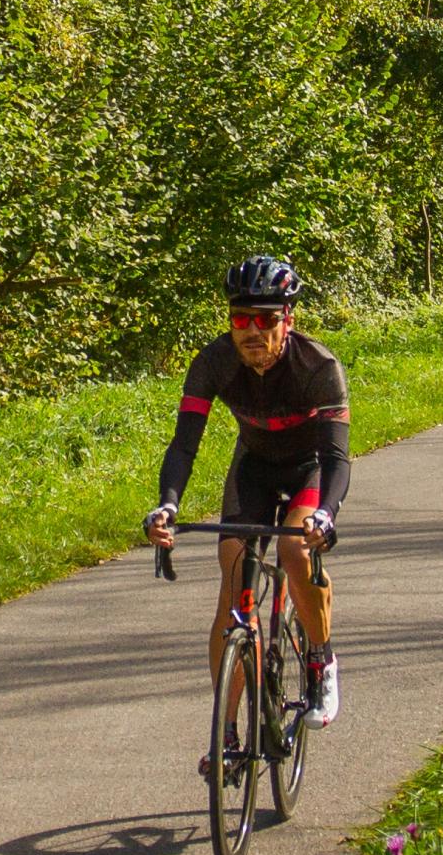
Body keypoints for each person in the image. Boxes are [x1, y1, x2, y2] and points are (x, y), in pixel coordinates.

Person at [142, 254, 348, 732]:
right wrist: (168, 503)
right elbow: (184, 443)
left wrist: (326, 515)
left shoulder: (318, 365)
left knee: (295, 550)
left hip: (308, 469)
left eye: (266, 319)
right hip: (253, 467)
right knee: (233, 588)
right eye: (241, 319)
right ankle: (227, 733)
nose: (252, 331)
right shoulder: (214, 362)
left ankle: (321, 659)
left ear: (287, 320)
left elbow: (337, 458)